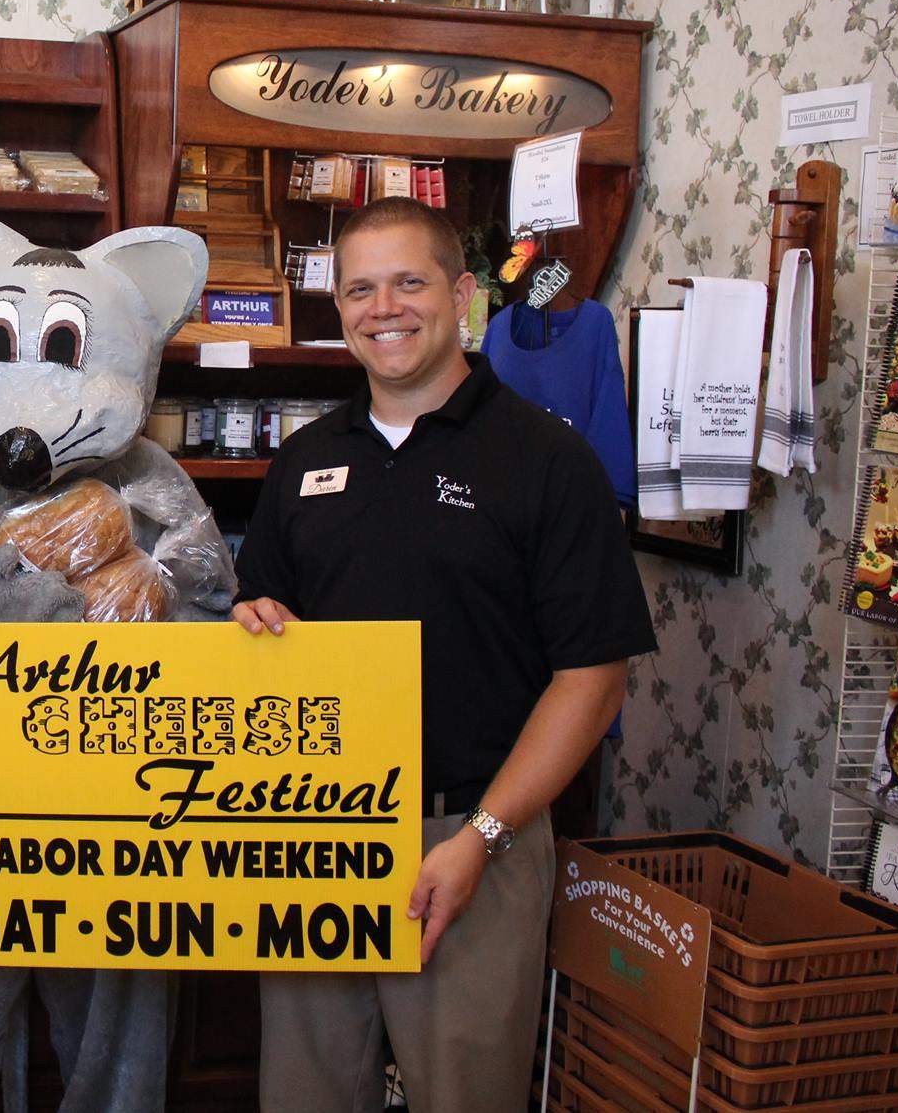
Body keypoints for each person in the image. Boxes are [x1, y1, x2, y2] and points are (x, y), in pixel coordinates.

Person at [232, 197, 655, 1113]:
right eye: (360, 289)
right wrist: (254, 625)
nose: (385, 307)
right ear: (338, 309)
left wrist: (482, 838)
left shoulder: (545, 460)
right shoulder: (303, 464)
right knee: (304, 1094)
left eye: (409, 282)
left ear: (462, 294)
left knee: (467, 1094)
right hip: (315, 838)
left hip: (475, 841)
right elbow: (263, 632)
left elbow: (595, 675)